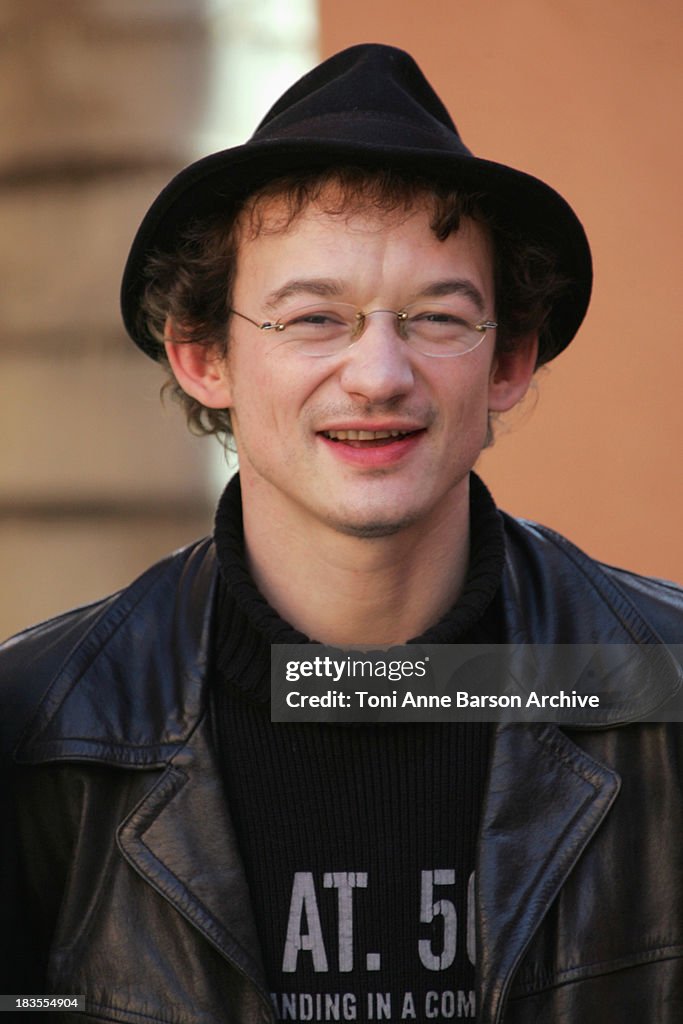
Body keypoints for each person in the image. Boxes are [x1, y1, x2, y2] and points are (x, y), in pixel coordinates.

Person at [1, 43, 682, 1024]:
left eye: (437, 317)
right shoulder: (39, 733)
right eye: (312, 318)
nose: (377, 374)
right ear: (202, 356)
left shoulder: (661, 691)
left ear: (508, 360)